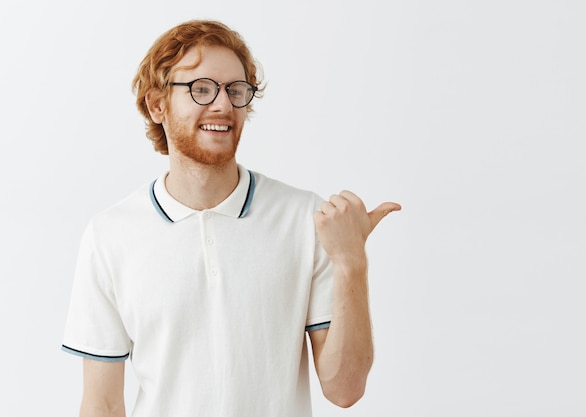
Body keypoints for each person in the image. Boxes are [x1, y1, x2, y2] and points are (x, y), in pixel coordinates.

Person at [61, 19, 401, 417]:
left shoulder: (306, 219)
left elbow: (345, 389)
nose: (223, 105)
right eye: (201, 89)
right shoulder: (110, 235)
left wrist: (351, 263)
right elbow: (101, 404)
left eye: (236, 91)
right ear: (157, 105)